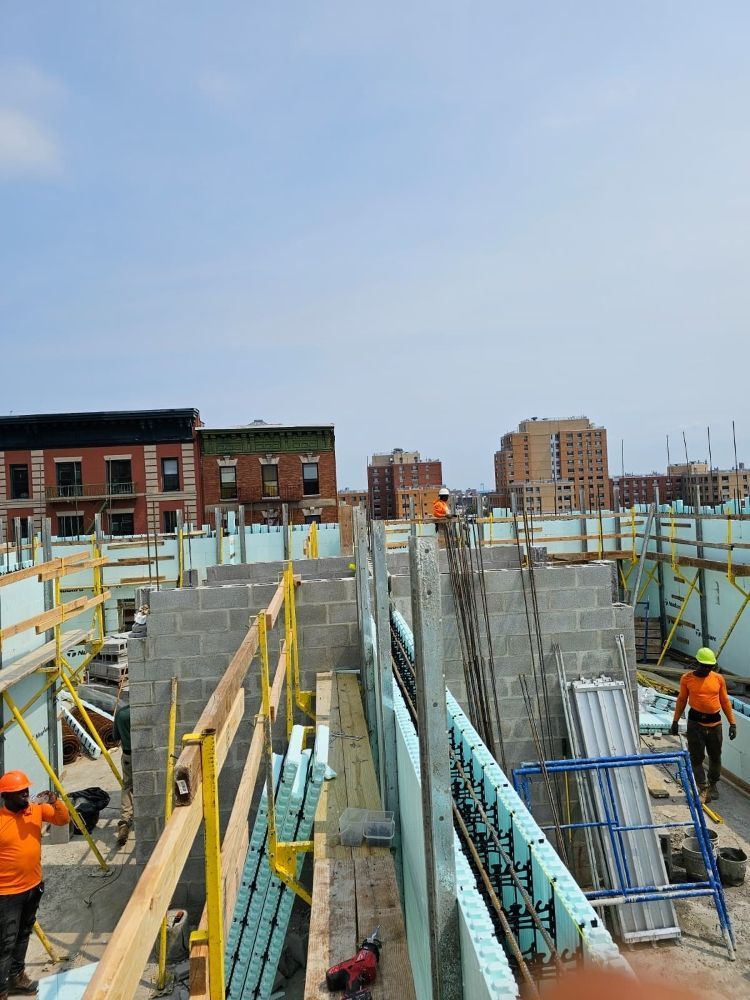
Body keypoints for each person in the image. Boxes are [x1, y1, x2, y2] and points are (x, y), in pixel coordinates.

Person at [0, 770, 69, 998]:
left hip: (33, 887)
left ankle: (17, 978)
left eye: (26, 791)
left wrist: (54, 800)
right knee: (5, 942)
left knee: (22, 934)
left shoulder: (35, 810)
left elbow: (62, 819)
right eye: (20, 793)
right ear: (6, 797)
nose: (25, 796)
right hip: (6, 894)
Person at [670, 647, 737, 802]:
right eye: (704, 665)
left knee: (715, 757)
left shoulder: (718, 679)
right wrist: (675, 720)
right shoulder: (687, 679)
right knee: (696, 758)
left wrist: (732, 723)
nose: (707, 669)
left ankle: (713, 785)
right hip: (695, 724)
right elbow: (681, 700)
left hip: (715, 724)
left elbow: (725, 701)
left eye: (710, 666)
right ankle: (703, 787)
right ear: (696, 663)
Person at [113, 702, 133, 847]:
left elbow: (115, 737)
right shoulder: (141, 711)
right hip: (144, 755)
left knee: (127, 787)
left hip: (128, 756)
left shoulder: (121, 714)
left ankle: (125, 820)